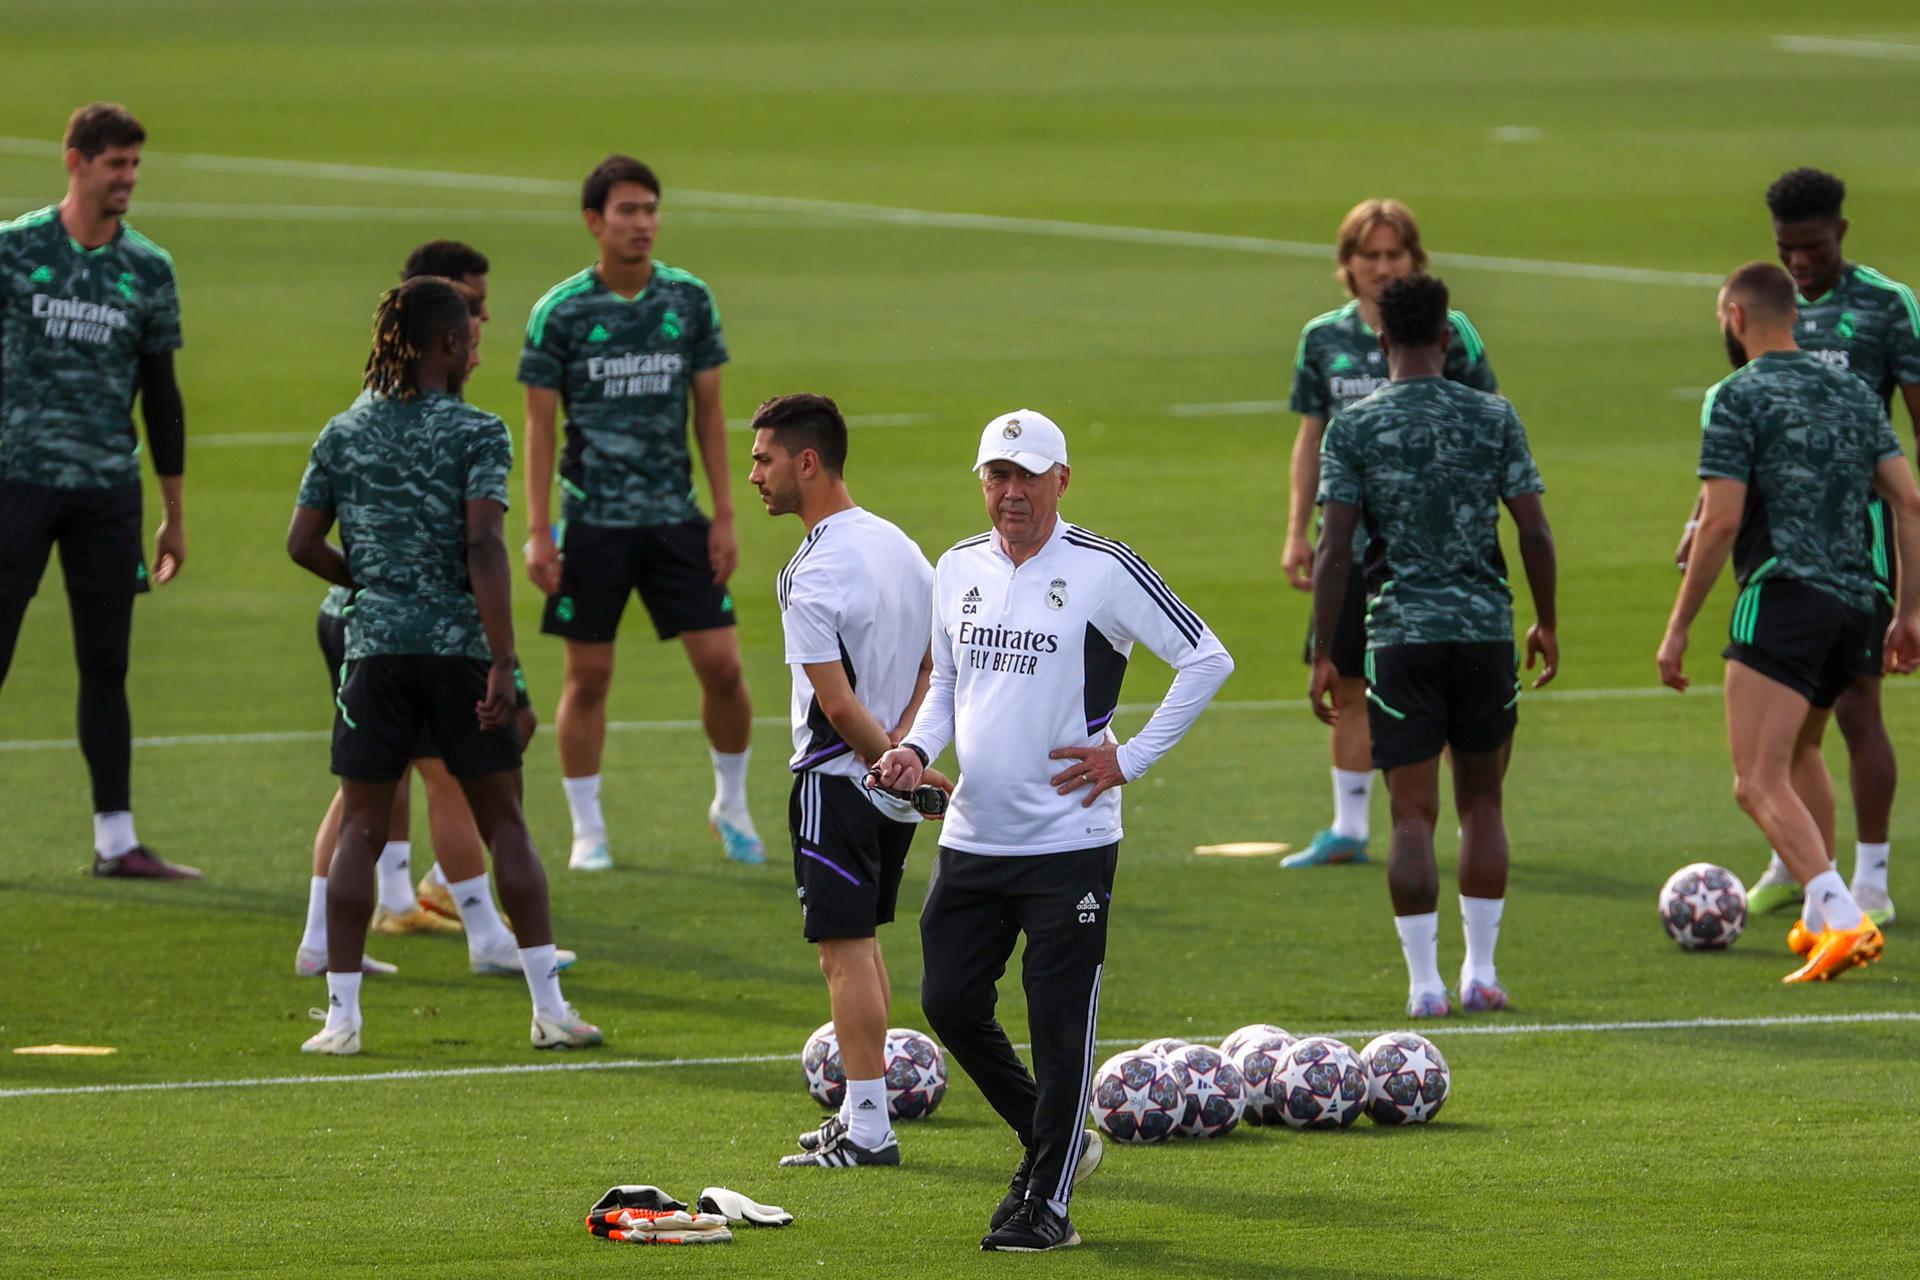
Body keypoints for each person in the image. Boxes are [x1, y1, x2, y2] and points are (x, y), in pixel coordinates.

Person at [874, 409, 1233, 1251]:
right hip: (971, 835)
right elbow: (949, 686)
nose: (1010, 492)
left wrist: (1129, 758)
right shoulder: (957, 567)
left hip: (1070, 842)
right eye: (996, 476)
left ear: (1061, 481)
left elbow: (1206, 657)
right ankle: (1053, 1146)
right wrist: (914, 749)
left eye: (1027, 475)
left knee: (1060, 1022)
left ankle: (1050, 1202)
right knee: (949, 1001)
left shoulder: (1104, 569)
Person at [288, 276, 600, 1054]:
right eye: (471, 337)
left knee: (361, 824)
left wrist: (368, 581)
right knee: (506, 824)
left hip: (373, 652)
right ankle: (548, 1009)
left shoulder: (343, 431)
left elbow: (300, 543)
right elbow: (485, 544)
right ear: (450, 344)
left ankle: (343, 1020)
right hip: (458, 651)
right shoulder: (476, 431)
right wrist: (504, 661)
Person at [1658, 262, 1920, 984]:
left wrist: (1678, 626)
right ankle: (1817, 907)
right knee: (1805, 749)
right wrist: (1909, 611)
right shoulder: (1856, 393)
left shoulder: (1734, 395)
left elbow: (1723, 522)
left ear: (1735, 319)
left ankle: (1843, 916)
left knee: (1756, 779)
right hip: (1857, 601)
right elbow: (1909, 501)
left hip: (1781, 597)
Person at [1310, 274, 1557, 1019]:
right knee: (1483, 803)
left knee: (1411, 817)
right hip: (1484, 630)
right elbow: (1535, 531)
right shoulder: (1493, 415)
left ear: (1381, 340)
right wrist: (1546, 621)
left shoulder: (1352, 426)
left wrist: (1326, 650)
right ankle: (1482, 971)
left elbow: (1335, 548)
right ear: (1447, 338)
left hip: (1399, 637)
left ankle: (1425, 986)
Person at [519, 154, 759, 871]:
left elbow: (711, 415)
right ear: (594, 221)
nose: (643, 223)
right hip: (592, 520)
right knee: (588, 677)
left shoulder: (688, 301)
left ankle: (732, 801)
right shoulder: (559, 312)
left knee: (722, 665)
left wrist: (724, 513)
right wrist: (538, 530)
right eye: (627, 211)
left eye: (650, 209)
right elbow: (537, 428)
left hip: (673, 516)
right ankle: (587, 829)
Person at [744, 392, 945, 1168]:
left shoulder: (812, 568)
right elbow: (934, 664)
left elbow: (833, 700)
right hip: (887, 788)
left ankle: (868, 1130)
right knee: (862, 948)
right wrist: (910, 761)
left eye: (764, 459)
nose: (754, 474)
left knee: (842, 952)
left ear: (807, 461)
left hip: (838, 782)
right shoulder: (899, 545)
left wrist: (885, 761)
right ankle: (868, 1112)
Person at [0, 102, 194, 878]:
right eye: (116, 164)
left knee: (107, 663)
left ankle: (116, 840)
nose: (129, 179)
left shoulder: (148, 268)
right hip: (16, 481)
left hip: (107, 493)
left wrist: (174, 514)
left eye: (135, 165)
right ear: (76, 161)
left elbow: (163, 396)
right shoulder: (15, 251)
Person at [1281, 198, 1498, 869]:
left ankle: (1457, 817)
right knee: (1346, 679)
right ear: (1346, 264)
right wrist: (1297, 531)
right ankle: (1349, 827)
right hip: (1347, 542)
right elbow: (1310, 435)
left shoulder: (1452, 332)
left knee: (1435, 679)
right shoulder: (1323, 339)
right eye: (1368, 255)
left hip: (1430, 548)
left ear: (1414, 260)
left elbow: (1486, 421)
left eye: (1393, 255)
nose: (1380, 267)